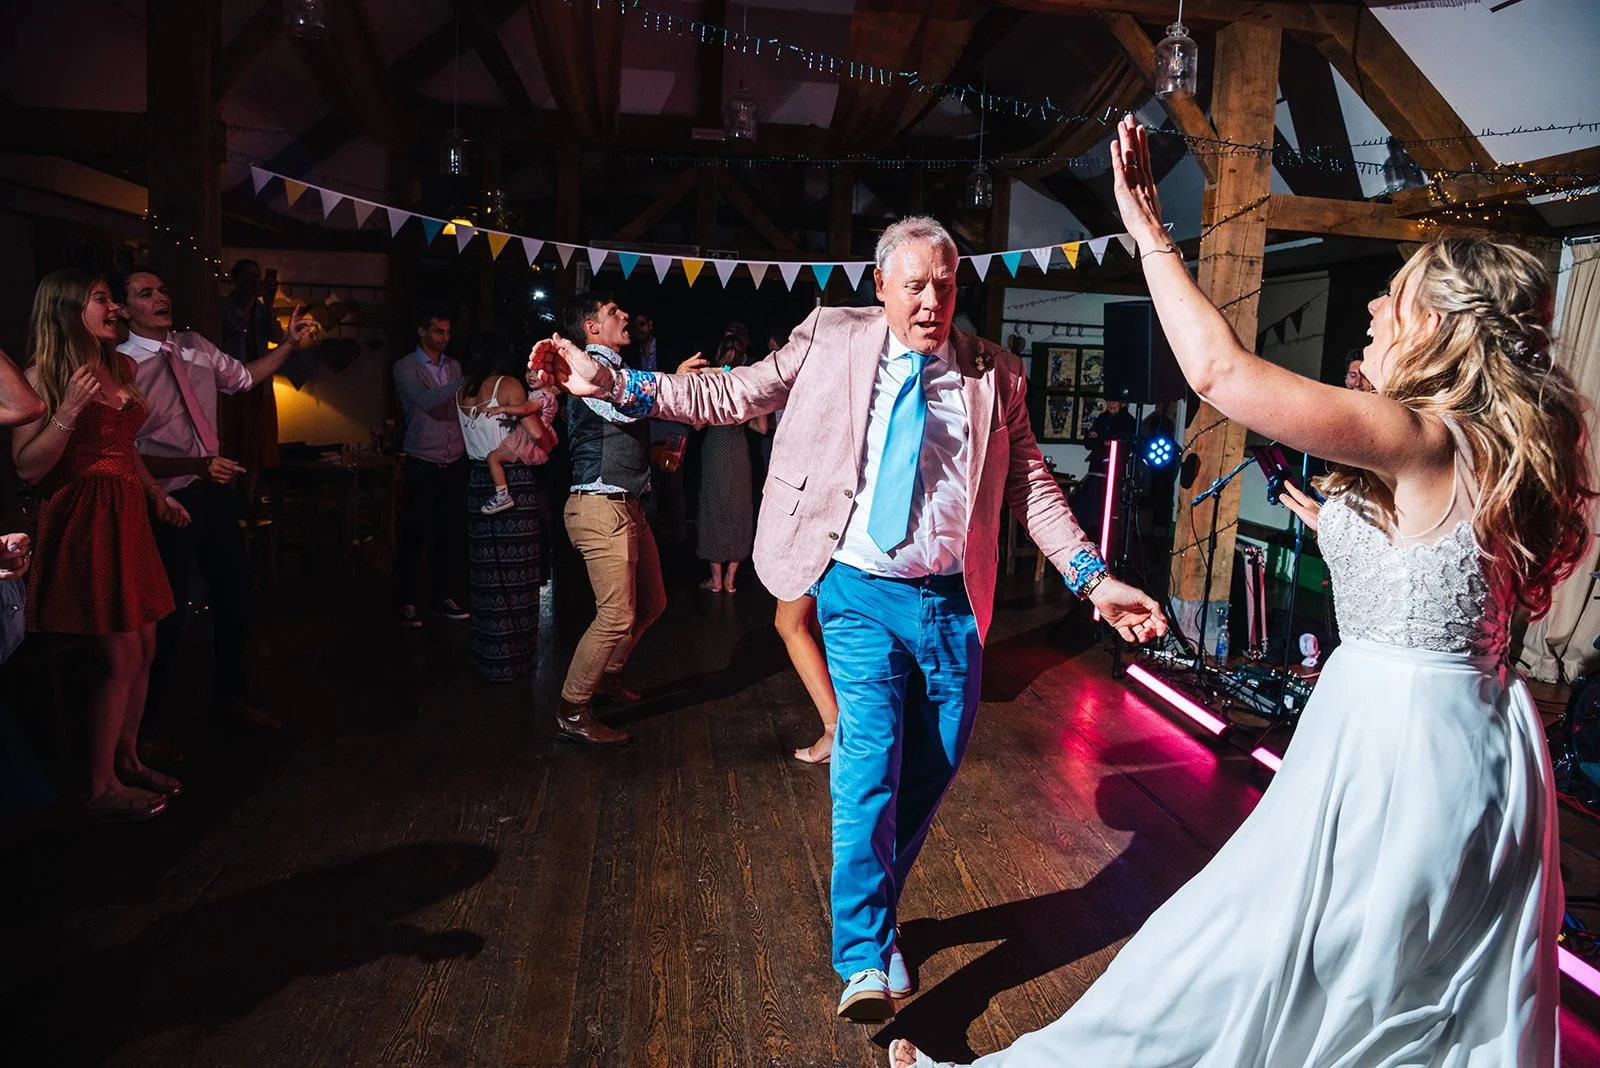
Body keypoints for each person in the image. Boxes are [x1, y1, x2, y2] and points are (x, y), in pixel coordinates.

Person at [888, 115, 1591, 1068]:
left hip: (1397, 748)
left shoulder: (1422, 436)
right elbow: (1442, 579)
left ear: (1440, 326)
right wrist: (1340, 529)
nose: (1376, 306)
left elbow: (1218, 372)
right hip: (1465, 739)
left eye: (1395, 296)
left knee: (1264, 954)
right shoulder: (1488, 449)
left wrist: (1151, 233)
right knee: (1378, 978)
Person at [530, 217, 1165, 1021]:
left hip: (952, 603)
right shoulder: (832, 336)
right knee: (868, 759)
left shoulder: (994, 373)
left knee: (930, 771)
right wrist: (617, 385)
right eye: (915, 286)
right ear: (881, 286)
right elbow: (732, 392)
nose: (932, 302)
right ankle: (862, 955)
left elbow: (1030, 483)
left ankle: (878, 915)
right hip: (859, 589)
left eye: (945, 285)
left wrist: (1091, 578)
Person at [13, 268, 193, 822]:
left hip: (127, 511)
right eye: (102, 300)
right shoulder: (41, 376)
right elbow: (27, 468)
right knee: (120, 657)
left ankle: (128, 760)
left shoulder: (123, 367)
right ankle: (100, 788)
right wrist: (67, 411)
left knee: (146, 649)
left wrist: (155, 494)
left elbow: (123, 444)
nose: (114, 309)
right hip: (85, 516)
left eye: (114, 300)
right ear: (68, 309)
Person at [115, 268, 318, 736]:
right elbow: (124, 452)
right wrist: (195, 464)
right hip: (164, 499)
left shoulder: (194, 346)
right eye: (145, 293)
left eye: (163, 289)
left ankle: (231, 702)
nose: (160, 298)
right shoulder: (122, 366)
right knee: (166, 617)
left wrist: (288, 345)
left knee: (236, 600)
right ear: (123, 310)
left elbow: (245, 378)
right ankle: (146, 730)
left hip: (213, 494)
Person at [454, 333, 556, 682]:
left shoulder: (461, 392)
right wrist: (548, 436)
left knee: (487, 575)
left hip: (478, 483)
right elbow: (538, 434)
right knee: (517, 574)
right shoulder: (508, 385)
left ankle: (490, 659)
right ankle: (515, 660)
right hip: (513, 481)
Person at [393, 304, 471, 628]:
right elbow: (426, 401)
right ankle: (406, 601)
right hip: (423, 459)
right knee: (414, 533)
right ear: (422, 331)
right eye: (439, 331)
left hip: (452, 459)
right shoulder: (406, 367)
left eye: (448, 331)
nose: (445, 337)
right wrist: (464, 381)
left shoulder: (452, 365)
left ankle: (441, 597)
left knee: (447, 534)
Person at [697, 325, 766, 593]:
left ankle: (715, 580)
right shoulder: (747, 384)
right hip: (738, 449)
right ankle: (730, 579)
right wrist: (742, 419)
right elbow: (762, 427)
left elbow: (698, 424)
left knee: (713, 509)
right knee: (739, 510)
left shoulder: (711, 382)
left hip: (716, 448)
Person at [217, 259, 289, 499]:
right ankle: (231, 493)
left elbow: (276, 336)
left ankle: (250, 496)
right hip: (232, 383)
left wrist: (268, 304)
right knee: (234, 438)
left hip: (260, 383)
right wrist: (250, 299)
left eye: (257, 276)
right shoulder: (225, 305)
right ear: (237, 279)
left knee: (259, 441)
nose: (255, 281)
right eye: (249, 276)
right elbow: (234, 325)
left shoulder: (259, 308)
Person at [1068, 398, 1136, 541]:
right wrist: (1102, 442)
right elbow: (1088, 442)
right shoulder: (1102, 418)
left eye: (1115, 401)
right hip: (1095, 471)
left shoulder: (1128, 421)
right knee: (1084, 509)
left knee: (1105, 514)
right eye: (1109, 401)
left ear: (1123, 403)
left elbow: (1120, 444)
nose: (1111, 404)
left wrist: (1100, 441)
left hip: (1112, 475)